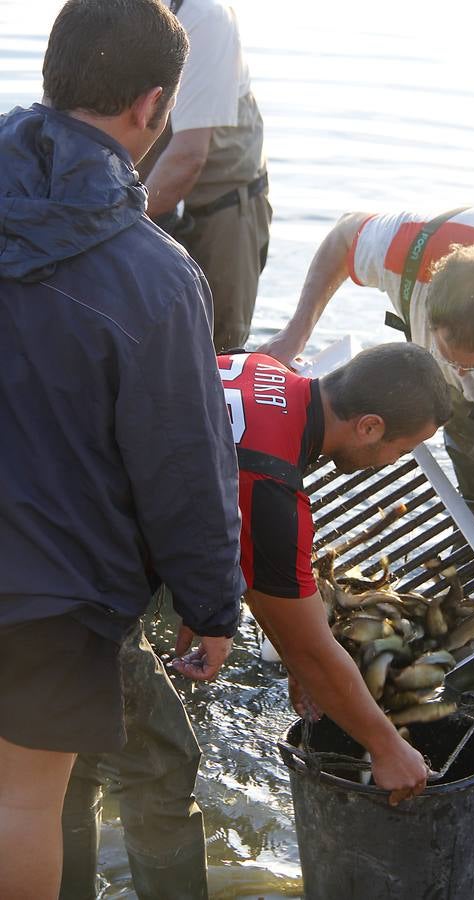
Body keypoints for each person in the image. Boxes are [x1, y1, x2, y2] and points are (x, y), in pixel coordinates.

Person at [0, 2, 244, 899]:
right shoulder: (159, 276)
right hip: (51, 591)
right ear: (152, 106)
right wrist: (213, 606)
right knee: (22, 803)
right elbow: (183, 464)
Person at [259, 206, 474, 789]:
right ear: (428, 307)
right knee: (470, 592)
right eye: (448, 358)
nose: (463, 376)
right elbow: (343, 236)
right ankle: (464, 758)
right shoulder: (411, 255)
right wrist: (296, 333)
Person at [175, 343, 453, 803]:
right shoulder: (271, 487)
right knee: (164, 768)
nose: (396, 463)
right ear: (368, 426)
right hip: (67, 550)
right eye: (402, 450)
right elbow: (313, 648)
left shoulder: (259, 366)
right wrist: (387, 749)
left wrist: (291, 652)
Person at [137, 0, 271, 353]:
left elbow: (188, 158)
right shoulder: (112, 13)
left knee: (217, 352)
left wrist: (110, 223)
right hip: (149, 194)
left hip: (224, 205)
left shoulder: (205, 17)